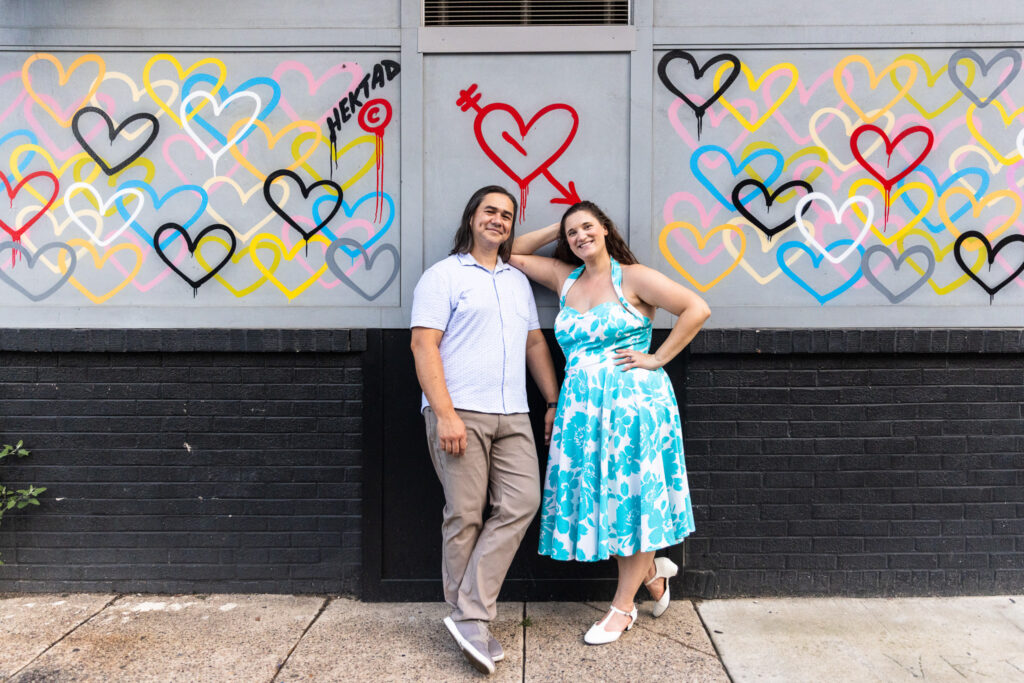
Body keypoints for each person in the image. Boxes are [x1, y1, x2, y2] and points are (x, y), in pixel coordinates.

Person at [509, 200, 710, 645]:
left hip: (633, 406)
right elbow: (511, 253)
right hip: (582, 410)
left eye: (588, 227)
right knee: (607, 502)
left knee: (631, 500)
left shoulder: (632, 276)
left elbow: (696, 308)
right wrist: (557, 228)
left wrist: (658, 358)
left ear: (605, 228)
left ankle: (623, 609)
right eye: (573, 232)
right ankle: (653, 573)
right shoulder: (566, 277)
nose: (581, 236)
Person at [410, 185, 560, 674]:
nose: (498, 220)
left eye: (507, 215)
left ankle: (468, 613)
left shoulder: (517, 279)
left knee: (522, 503)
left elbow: (535, 344)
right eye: (490, 211)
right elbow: (423, 346)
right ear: (471, 216)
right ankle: (470, 620)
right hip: (460, 412)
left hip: (514, 412)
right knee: (466, 516)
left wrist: (552, 400)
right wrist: (445, 413)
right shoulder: (444, 276)